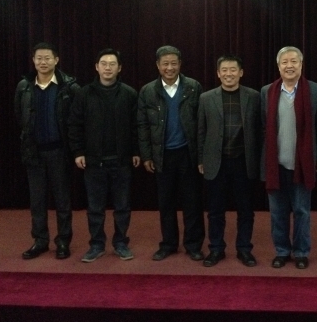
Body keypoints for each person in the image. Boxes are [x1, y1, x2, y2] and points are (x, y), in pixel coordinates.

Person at [68, 49, 140, 263]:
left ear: (120, 68)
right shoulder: (84, 94)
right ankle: (97, 244)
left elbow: (136, 127)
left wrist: (136, 151)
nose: (108, 67)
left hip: (122, 161)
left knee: (122, 207)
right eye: (104, 63)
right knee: (95, 208)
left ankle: (121, 243)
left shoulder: (129, 94)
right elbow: (74, 125)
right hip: (93, 161)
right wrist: (78, 152)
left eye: (112, 64)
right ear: (97, 67)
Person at [261, 46, 317, 269]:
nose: (289, 66)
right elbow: (263, 128)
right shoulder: (267, 92)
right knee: (277, 213)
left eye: (294, 62)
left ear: (301, 64)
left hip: (302, 163)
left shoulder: (316, 91)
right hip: (275, 163)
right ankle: (281, 251)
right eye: (285, 62)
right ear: (278, 66)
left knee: (301, 211)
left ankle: (300, 252)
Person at [138, 45, 205, 261]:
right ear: (158, 66)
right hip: (162, 155)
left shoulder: (193, 87)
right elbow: (142, 126)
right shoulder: (148, 91)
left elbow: (202, 123)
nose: (169, 68)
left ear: (180, 64)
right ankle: (168, 244)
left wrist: (201, 156)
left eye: (173, 63)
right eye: (165, 64)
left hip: (187, 153)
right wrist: (147, 156)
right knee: (166, 203)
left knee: (192, 202)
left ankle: (193, 245)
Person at [15, 42, 79, 260]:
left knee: (62, 200)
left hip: (59, 152)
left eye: (47, 58)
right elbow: (19, 116)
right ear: (33, 61)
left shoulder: (69, 87)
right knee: (37, 201)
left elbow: (76, 120)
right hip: (33, 152)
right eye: (39, 58)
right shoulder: (24, 86)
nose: (43, 62)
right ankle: (40, 241)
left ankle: (63, 241)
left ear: (56, 60)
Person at [197, 54, 261, 267]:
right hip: (216, 162)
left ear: (241, 72)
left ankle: (244, 249)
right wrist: (200, 159)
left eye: (233, 70)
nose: (229, 74)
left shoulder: (254, 97)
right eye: (224, 70)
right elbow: (201, 131)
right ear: (218, 73)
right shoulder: (206, 98)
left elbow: (260, 130)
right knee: (215, 210)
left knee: (246, 210)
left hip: (244, 162)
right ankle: (216, 249)